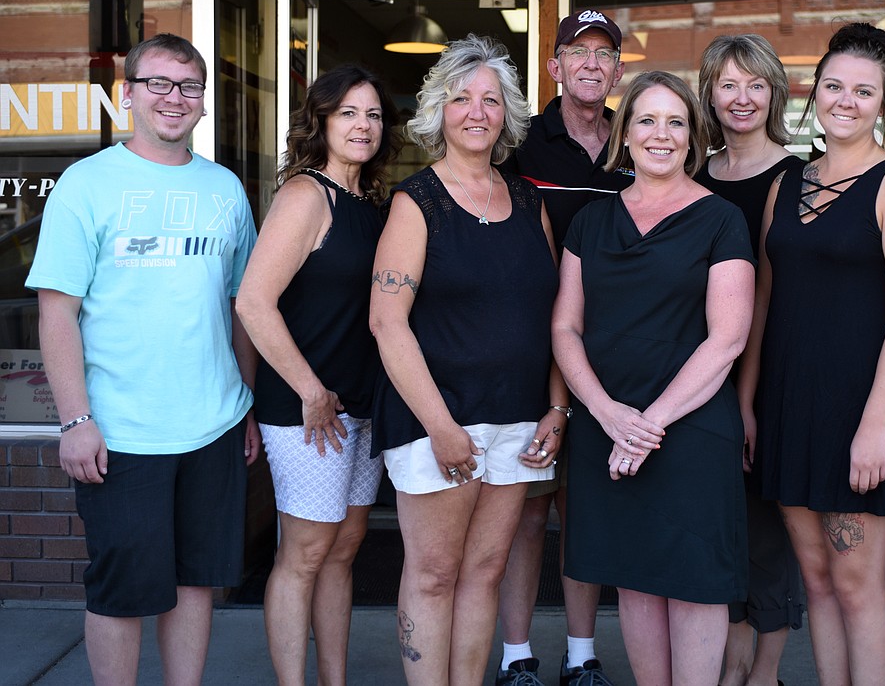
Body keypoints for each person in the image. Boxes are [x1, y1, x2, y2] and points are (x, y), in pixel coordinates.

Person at [26, 33, 261, 686]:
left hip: (213, 425)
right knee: (122, 589)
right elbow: (56, 313)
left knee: (194, 584)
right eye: (157, 83)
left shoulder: (225, 191)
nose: (173, 98)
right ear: (126, 94)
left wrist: (244, 402)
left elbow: (242, 306)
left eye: (188, 86)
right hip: (121, 430)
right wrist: (75, 421)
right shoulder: (87, 185)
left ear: (204, 103)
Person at [740, 22, 885, 685]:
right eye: (833, 86)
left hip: (860, 409)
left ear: (883, 102)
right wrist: (748, 404)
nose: (845, 101)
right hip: (790, 406)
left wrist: (875, 426)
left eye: (863, 90)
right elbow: (765, 300)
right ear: (813, 92)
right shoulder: (786, 183)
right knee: (817, 583)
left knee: (856, 584)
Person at [368, 34, 566, 685]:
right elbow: (386, 323)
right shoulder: (415, 202)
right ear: (439, 111)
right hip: (437, 424)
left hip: (516, 421)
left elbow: (557, 318)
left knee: (485, 571)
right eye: (461, 98)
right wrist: (441, 427)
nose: (476, 111)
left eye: (490, 99)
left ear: (506, 112)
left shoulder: (530, 200)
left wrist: (557, 408)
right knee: (433, 575)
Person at [552, 70, 755, 685]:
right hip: (606, 426)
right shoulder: (591, 220)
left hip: (689, 432)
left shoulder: (723, 220)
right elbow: (565, 328)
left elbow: (728, 338)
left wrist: (648, 425)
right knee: (634, 580)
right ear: (625, 132)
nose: (660, 134)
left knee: (695, 585)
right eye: (646, 119)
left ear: (693, 135)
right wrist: (609, 415)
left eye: (675, 122)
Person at [235, 65, 401, 685]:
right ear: (322, 121)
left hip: (359, 404)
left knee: (345, 549)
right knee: (304, 554)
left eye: (374, 115)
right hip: (307, 409)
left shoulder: (371, 204)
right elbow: (253, 301)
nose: (363, 126)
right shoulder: (306, 195)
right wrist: (310, 390)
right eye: (349, 113)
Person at [494, 8, 630, 686]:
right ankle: (517, 656)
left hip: (615, 360)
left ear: (616, 70)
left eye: (605, 54)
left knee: (587, 514)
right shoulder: (520, 143)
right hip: (530, 357)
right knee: (527, 507)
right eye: (578, 52)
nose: (591, 64)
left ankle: (583, 656)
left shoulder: (636, 145)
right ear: (554, 66)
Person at [694, 34, 805, 686]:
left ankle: (763, 674)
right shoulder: (691, 173)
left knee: (764, 531)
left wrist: (746, 399)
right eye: (728, 84)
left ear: (774, 93)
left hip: (763, 377)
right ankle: (728, 669)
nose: (741, 97)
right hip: (697, 381)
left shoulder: (796, 177)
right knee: (718, 531)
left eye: (755, 84)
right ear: (709, 91)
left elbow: (765, 295)